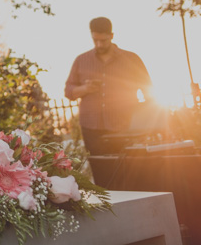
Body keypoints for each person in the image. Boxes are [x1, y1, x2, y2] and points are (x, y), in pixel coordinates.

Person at [64, 16, 153, 156]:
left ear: (111, 36)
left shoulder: (131, 58)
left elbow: (148, 90)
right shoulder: (81, 60)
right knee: (101, 171)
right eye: (95, 40)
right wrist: (85, 89)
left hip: (126, 126)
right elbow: (68, 91)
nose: (99, 44)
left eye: (103, 40)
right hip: (91, 127)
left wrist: (142, 119)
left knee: (130, 170)